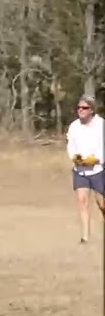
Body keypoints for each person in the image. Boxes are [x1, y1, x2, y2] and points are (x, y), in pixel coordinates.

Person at [66, 94, 104, 243]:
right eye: (79, 107)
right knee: (82, 201)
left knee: (102, 204)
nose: (80, 110)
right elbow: (70, 145)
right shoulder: (74, 126)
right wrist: (74, 157)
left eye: (84, 108)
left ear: (92, 110)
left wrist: (96, 159)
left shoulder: (101, 125)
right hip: (80, 170)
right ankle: (85, 237)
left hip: (98, 170)